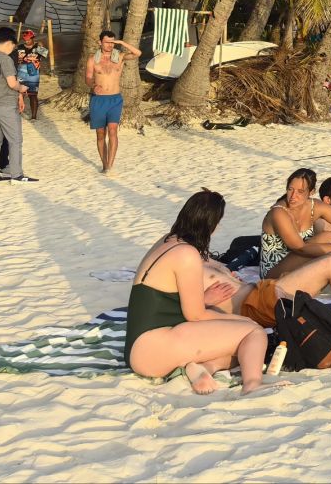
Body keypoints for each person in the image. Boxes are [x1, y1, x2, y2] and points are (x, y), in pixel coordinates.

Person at [125, 190, 276, 395]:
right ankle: (252, 385)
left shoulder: (168, 240)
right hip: (154, 348)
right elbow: (195, 315)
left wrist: (212, 293)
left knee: (243, 349)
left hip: (138, 345)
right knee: (254, 333)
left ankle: (204, 367)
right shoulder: (186, 254)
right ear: (211, 225)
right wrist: (240, 321)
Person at [0, 27, 33, 182]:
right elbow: (12, 83)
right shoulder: (5, 59)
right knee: (15, 139)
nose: (12, 49)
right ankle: (16, 175)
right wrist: (21, 88)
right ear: (9, 43)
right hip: (6, 106)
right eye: (13, 46)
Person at [85, 31, 141, 174]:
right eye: (107, 42)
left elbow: (137, 53)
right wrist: (94, 86)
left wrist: (121, 43)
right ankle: (104, 165)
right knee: (100, 134)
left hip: (115, 99)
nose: (110, 45)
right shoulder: (93, 59)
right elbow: (88, 78)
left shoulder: (120, 57)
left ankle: (110, 166)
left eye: (112, 42)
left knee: (113, 131)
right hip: (98, 100)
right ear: (100, 43)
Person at [15, 28, 47, 120]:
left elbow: (45, 54)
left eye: (29, 39)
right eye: (25, 39)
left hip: (34, 75)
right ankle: (17, 115)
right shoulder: (19, 47)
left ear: (33, 38)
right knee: (19, 94)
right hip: (21, 73)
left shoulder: (38, 47)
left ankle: (34, 117)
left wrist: (41, 47)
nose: (27, 41)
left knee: (33, 95)